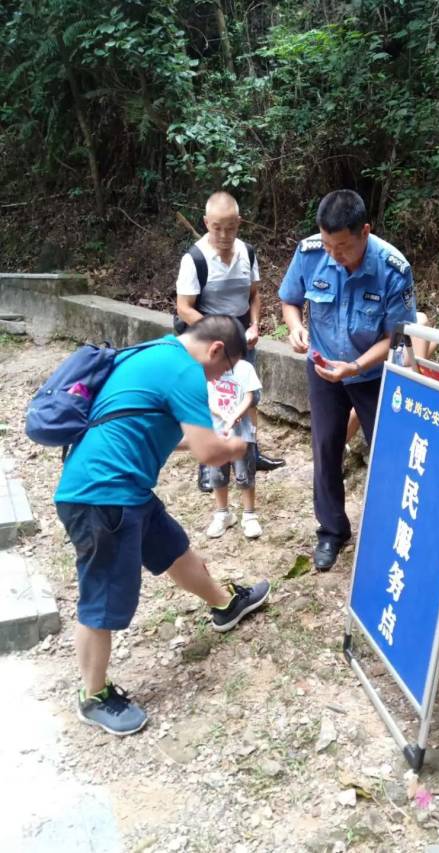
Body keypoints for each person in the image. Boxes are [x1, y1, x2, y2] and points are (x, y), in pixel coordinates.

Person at [55, 315, 271, 737]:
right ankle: (93, 695)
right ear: (215, 350)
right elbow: (209, 453)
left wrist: (209, 437)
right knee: (102, 596)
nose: (219, 379)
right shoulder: (187, 371)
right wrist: (239, 445)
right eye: (224, 370)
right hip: (104, 495)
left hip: (122, 487)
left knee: (172, 548)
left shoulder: (155, 351)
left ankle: (226, 606)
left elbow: (161, 430)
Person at [279, 189, 417, 571]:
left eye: (341, 246)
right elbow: (290, 299)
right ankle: (332, 532)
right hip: (323, 368)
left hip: (372, 374)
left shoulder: (393, 268)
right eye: (327, 244)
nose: (333, 255)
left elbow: (396, 337)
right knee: (326, 446)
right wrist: (295, 328)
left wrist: (355, 368)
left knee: (388, 452)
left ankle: (390, 531)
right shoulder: (310, 254)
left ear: (365, 232)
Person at [175, 191, 285, 475]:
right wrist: (215, 333)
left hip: (242, 335)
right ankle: (208, 463)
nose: (224, 234)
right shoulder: (195, 259)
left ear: (239, 222)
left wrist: (254, 324)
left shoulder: (247, 252)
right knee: (210, 397)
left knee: (248, 395)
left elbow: (254, 295)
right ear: (205, 223)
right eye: (216, 227)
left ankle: (250, 452)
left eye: (231, 227)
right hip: (209, 338)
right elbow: (184, 307)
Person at [345, 310, 436, 446]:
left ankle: (337, 450)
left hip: (398, 379)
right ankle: (338, 450)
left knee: (358, 412)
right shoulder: (400, 323)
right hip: (386, 375)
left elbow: (415, 365)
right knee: (358, 412)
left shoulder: (417, 323)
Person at [205, 357, 263, 539]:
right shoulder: (207, 367)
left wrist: (237, 413)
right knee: (217, 475)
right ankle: (223, 513)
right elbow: (206, 397)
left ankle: (249, 515)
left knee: (245, 474)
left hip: (243, 433)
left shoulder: (244, 368)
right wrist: (223, 413)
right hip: (216, 432)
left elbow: (250, 395)